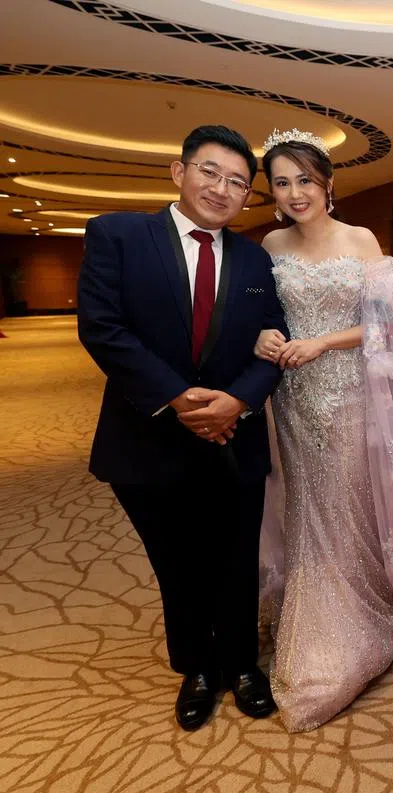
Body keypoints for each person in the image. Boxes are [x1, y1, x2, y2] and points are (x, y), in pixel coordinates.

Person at [77, 125, 287, 731]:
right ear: (179, 172)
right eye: (210, 172)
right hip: (146, 435)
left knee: (236, 556)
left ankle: (242, 665)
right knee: (176, 560)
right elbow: (102, 328)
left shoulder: (255, 258)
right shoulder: (118, 235)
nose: (222, 189)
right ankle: (196, 667)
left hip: (234, 435)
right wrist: (178, 397)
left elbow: (274, 339)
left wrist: (237, 402)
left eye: (238, 182)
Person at [253, 128, 393, 732]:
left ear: (328, 183)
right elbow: (258, 314)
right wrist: (266, 336)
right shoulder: (270, 243)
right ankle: (311, 601)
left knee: (350, 498)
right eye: (282, 183)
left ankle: (360, 606)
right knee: (305, 502)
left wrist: (322, 343)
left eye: (305, 180)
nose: (295, 193)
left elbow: (390, 320)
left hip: (348, 393)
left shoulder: (359, 239)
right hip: (292, 396)